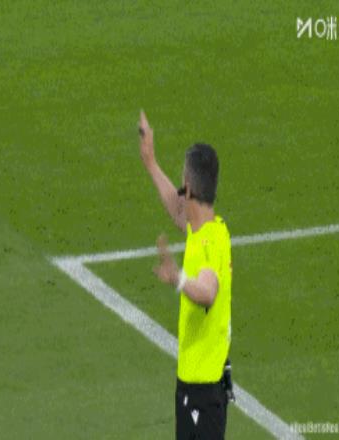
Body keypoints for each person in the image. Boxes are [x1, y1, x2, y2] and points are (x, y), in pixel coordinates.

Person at [138, 111, 233, 439]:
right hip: (193, 387)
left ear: (188, 187)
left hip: (204, 394)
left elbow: (208, 291)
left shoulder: (210, 243)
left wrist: (177, 278)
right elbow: (178, 211)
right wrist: (151, 162)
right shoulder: (204, 228)